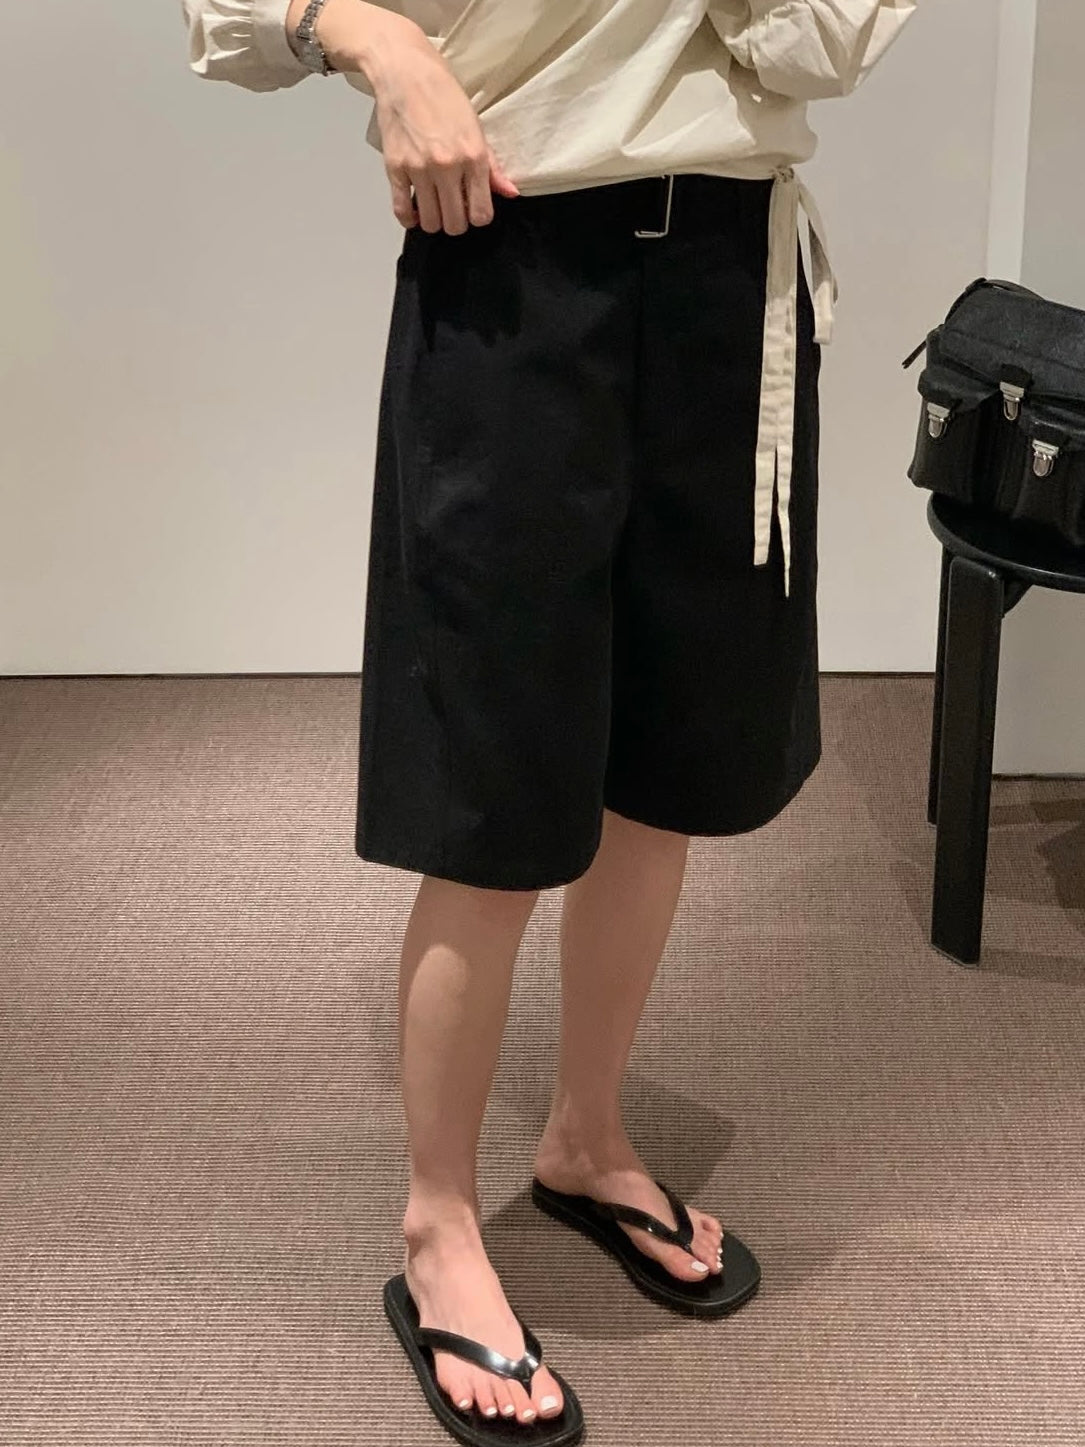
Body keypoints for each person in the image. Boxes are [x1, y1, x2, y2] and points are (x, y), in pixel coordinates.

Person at [179, 3, 919, 1442]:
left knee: (667, 765)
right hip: (511, 255)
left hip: (730, 274)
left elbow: (822, 45)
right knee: (496, 786)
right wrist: (371, 37)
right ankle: (437, 1223)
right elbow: (223, 18)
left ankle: (585, 1135)